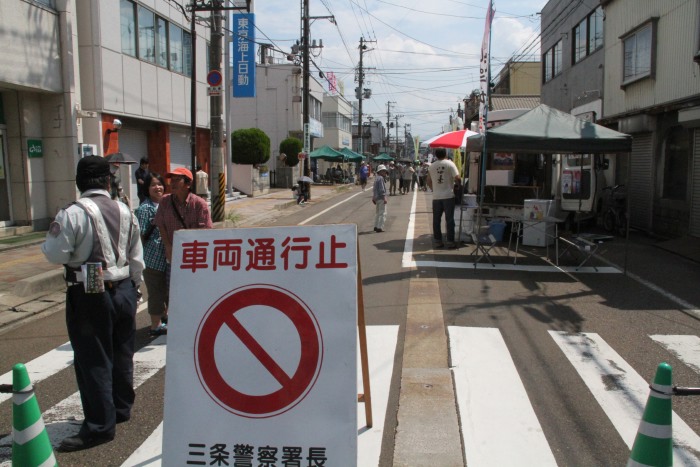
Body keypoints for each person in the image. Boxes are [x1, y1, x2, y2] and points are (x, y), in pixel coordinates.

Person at [41, 156, 144, 452]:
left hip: (90, 292)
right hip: (124, 287)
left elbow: (56, 253)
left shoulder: (72, 213)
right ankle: (121, 409)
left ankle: (100, 426)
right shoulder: (126, 210)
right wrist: (134, 288)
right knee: (123, 352)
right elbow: (136, 256)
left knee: (94, 358)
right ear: (108, 181)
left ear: (79, 182)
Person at [154, 167, 213, 290]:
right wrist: (168, 246)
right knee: (174, 292)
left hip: (194, 260)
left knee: (195, 291)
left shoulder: (199, 204)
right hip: (173, 258)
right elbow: (160, 224)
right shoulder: (165, 201)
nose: (172, 183)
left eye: (177, 180)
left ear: (188, 183)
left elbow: (206, 232)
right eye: (172, 180)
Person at [134, 172, 168, 337]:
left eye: (160, 184)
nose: (157, 187)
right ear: (147, 188)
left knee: (168, 291)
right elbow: (139, 236)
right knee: (155, 293)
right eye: (153, 185)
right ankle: (155, 326)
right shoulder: (144, 208)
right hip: (152, 258)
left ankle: (165, 318)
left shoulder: (168, 204)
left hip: (168, 256)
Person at [427, 148, 461, 249]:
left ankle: (438, 241)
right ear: (446, 153)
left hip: (436, 197)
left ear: (436, 155)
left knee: (436, 220)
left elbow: (428, 181)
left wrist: (434, 189)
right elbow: (457, 178)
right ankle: (450, 241)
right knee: (449, 220)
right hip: (448, 196)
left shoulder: (432, 166)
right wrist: (458, 186)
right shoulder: (450, 164)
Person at [372, 164, 389, 232]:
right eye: (384, 171)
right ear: (380, 172)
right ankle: (380, 227)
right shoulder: (381, 178)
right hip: (381, 198)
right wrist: (384, 197)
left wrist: (373, 197)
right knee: (383, 213)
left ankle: (376, 226)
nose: (385, 173)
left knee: (378, 213)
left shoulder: (376, 178)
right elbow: (382, 189)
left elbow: (374, 189)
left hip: (376, 198)